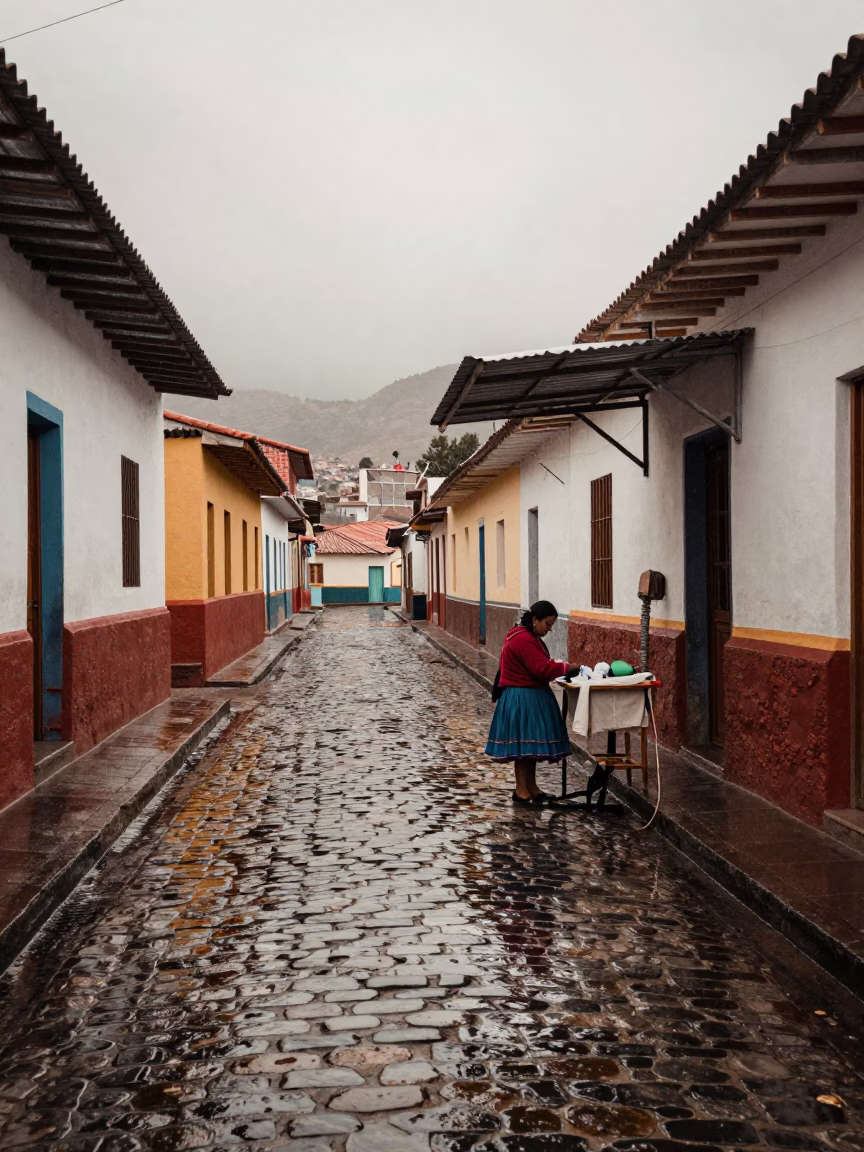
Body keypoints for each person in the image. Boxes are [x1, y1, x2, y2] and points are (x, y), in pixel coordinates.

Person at [486, 600, 580, 805]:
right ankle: (521, 790)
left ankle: (531, 786)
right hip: (522, 698)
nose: (550, 628)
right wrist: (566, 668)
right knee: (523, 747)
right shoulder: (523, 640)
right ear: (535, 620)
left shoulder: (528, 636)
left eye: (552, 624)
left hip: (529, 696)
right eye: (547, 623)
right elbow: (541, 669)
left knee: (529, 747)